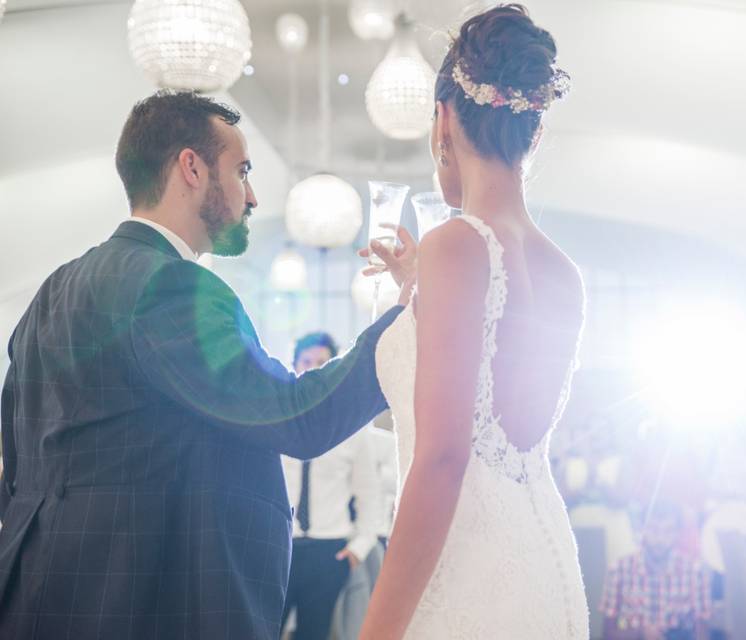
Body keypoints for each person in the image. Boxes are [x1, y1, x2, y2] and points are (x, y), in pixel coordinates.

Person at [0, 91, 414, 640]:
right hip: (145, 603)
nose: (252, 195)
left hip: (38, 597)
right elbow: (298, 415)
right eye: (241, 170)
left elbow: (20, 459)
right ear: (191, 168)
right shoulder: (171, 285)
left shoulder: (52, 291)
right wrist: (408, 319)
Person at [358, 5, 589, 639]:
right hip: (546, 570)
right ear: (534, 134)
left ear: (442, 121)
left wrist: (375, 630)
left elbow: (443, 460)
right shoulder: (566, 275)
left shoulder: (455, 245)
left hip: (472, 576)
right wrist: (420, 288)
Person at [280, 332, 382, 639]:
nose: (312, 369)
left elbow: (368, 492)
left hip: (330, 551)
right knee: (262, 629)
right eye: (306, 362)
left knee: (315, 633)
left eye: (322, 363)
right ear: (294, 366)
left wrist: (358, 548)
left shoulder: (353, 427)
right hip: (281, 547)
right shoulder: (277, 422)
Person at [599, 502, 711, 640]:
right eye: (653, 529)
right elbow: (607, 633)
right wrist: (640, 634)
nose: (660, 538)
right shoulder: (618, 570)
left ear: (677, 533)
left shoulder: (695, 572)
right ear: (642, 530)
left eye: (668, 530)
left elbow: (702, 632)